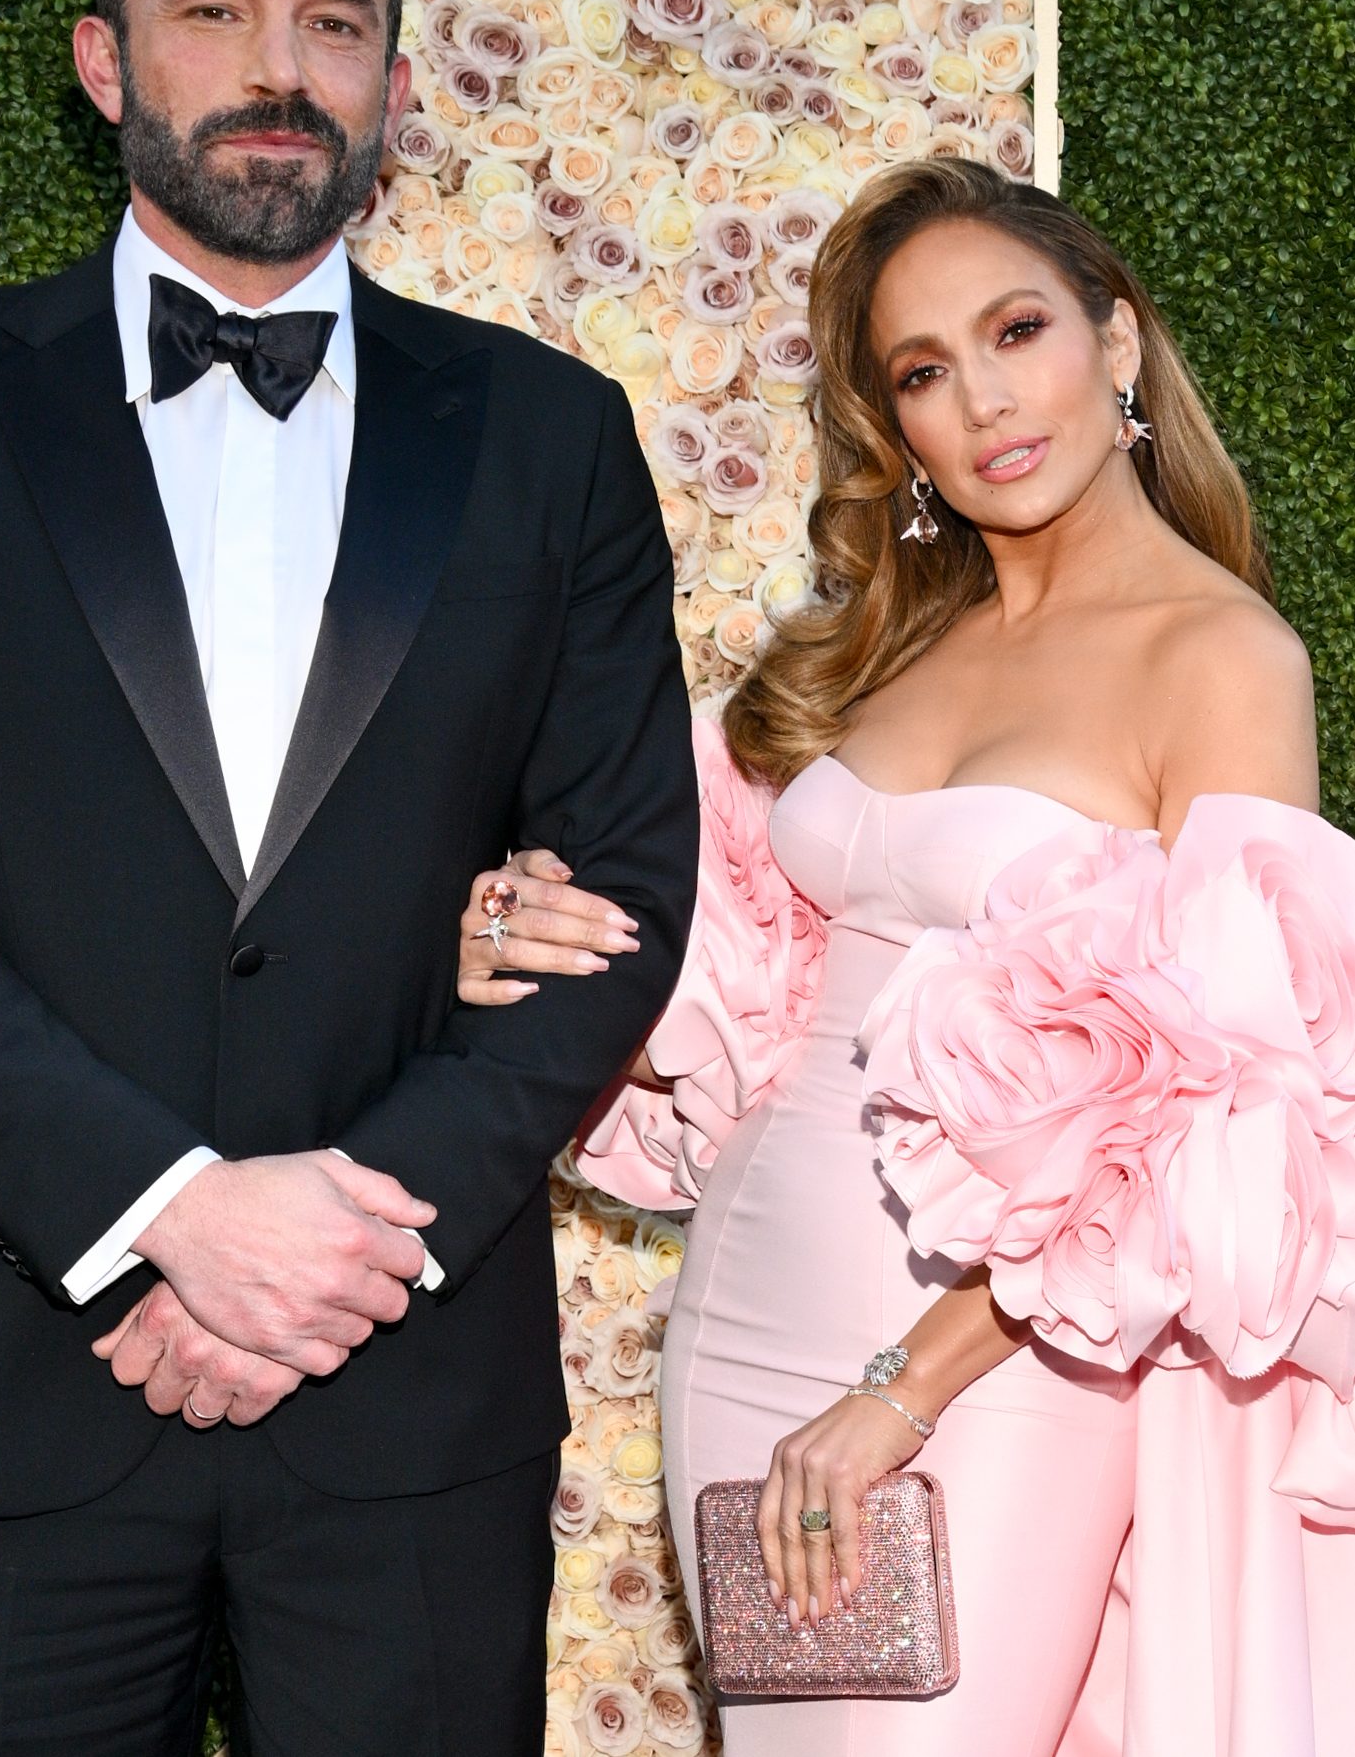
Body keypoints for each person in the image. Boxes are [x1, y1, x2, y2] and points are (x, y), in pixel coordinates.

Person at [0, 0, 697, 1757]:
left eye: (332, 23)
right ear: (104, 60)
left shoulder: (551, 438)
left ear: (394, 81)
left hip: (407, 1410)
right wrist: (161, 1210)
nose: (277, 68)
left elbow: (621, 879)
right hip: (2, 1383)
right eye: (212, 11)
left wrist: (324, 1238)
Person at [458, 158, 1355, 1754]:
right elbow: (736, 977)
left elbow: (1224, 1114)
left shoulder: (1220, 655)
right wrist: (535, 936)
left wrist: (903, 1383)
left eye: (1017, 330)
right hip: (747, 1297)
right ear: (894, 427)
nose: (984, 400)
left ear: (1120, 343)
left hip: (997, 1350)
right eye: (923, 372)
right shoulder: (882, 644)